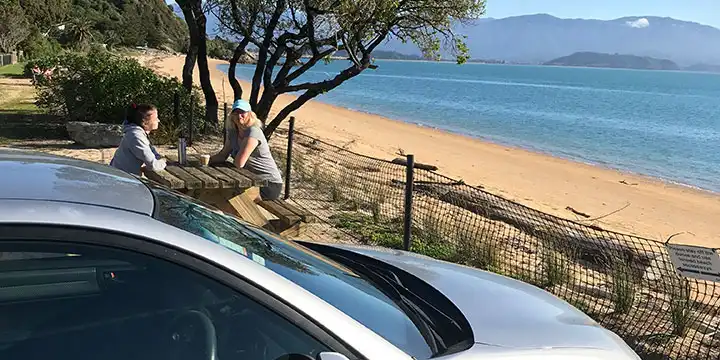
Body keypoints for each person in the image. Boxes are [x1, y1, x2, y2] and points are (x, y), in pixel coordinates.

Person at [210, 99, 284, 201]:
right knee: (218, 193)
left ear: (250, 114)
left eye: (242, 112)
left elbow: (239, 163)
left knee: (225, 198)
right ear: (231, 116)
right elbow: (223, 155)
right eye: (235, 113)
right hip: (250, 179)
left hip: (268, 184)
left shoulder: (253, 132)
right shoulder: (232, 132)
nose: (239, 115)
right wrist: (206, 160)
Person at [110, 103, 167, 176]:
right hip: (123, 178)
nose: (158, 120)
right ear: (144, 122)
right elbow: (153, 165)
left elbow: (151, 151)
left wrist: (159, 158)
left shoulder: (138, 133)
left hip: (123, 174)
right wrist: (163, 162)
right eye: (156, 118)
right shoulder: (136, 136)